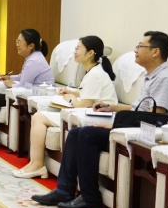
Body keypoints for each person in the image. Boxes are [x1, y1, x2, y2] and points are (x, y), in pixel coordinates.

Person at [33, 31, 168, 208]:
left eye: (140, 46)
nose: (136, 50)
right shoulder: (151, 76)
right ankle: (64, 191)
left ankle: (90, 197)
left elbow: (156, 116)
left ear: (155, 52)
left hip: (151, 133)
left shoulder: (166, 78)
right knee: (75, 133)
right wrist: (112, 107)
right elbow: (138, 109)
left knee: (88, 134)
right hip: (136, 126)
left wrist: (115, 126)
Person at [14, 36, 117, 178]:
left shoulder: (95, 74)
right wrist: (72, 92)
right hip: (89, 114)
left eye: (78, 48)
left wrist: (70, 99)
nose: (75, 52)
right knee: (39, 116)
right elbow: (88, 94)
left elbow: (84, 104)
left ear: (90, 53)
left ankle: (37, 165)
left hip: (95, 117)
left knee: (39, 117)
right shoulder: (93, 71)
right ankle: (34, 163)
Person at [0, 29, 54, 150]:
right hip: (30, 93)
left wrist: (11, 84)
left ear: (31, 45)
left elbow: (23, 85)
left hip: (36, 96)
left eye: (19, 42)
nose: (17, 45)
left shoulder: (34, 60)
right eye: (17, 41)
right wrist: (9, 77)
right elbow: (23, 76)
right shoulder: (34, 57)